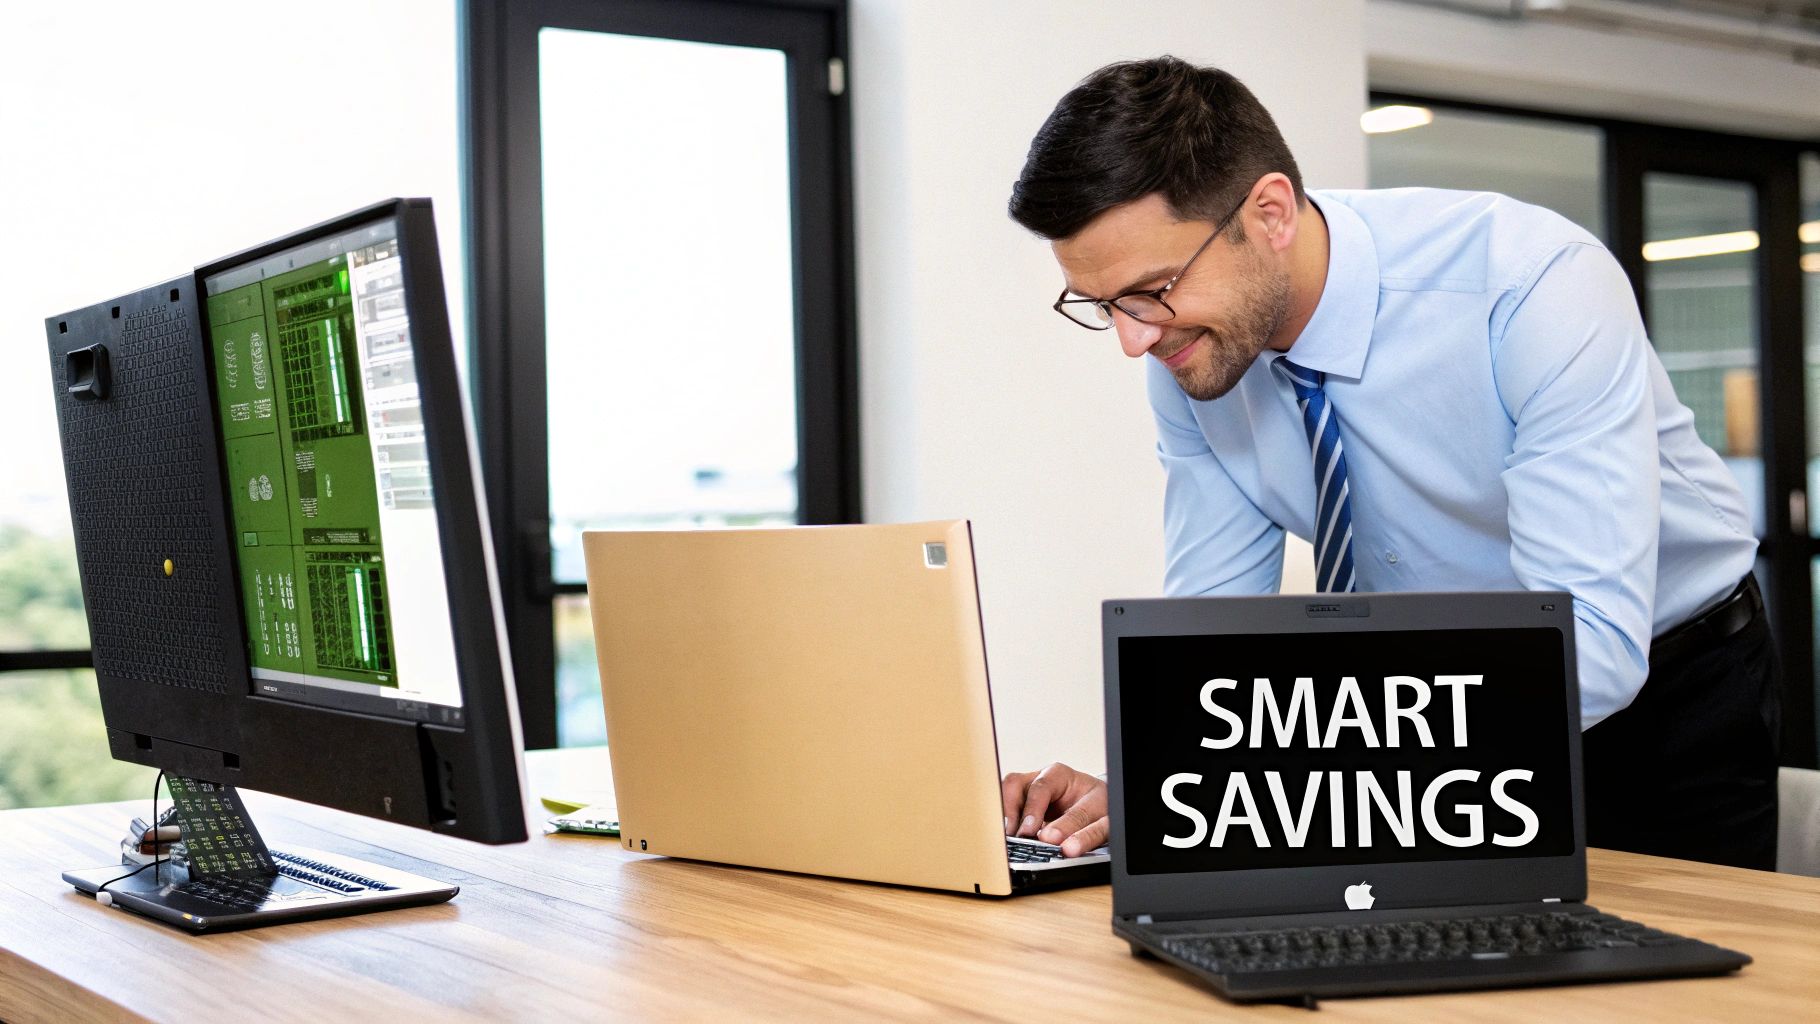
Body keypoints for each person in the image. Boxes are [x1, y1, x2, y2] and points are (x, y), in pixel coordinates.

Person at [1000, 56, 1780, 870]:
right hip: (1428, 718)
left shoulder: (1529, 286)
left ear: (1270, 214)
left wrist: (1320, 759)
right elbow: (1213, 634)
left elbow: (1590, 643)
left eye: (1152, 288)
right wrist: (1158, 782)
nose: (1133, 339)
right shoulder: (1194, 358)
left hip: (1665, 695)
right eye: (1103, 307)